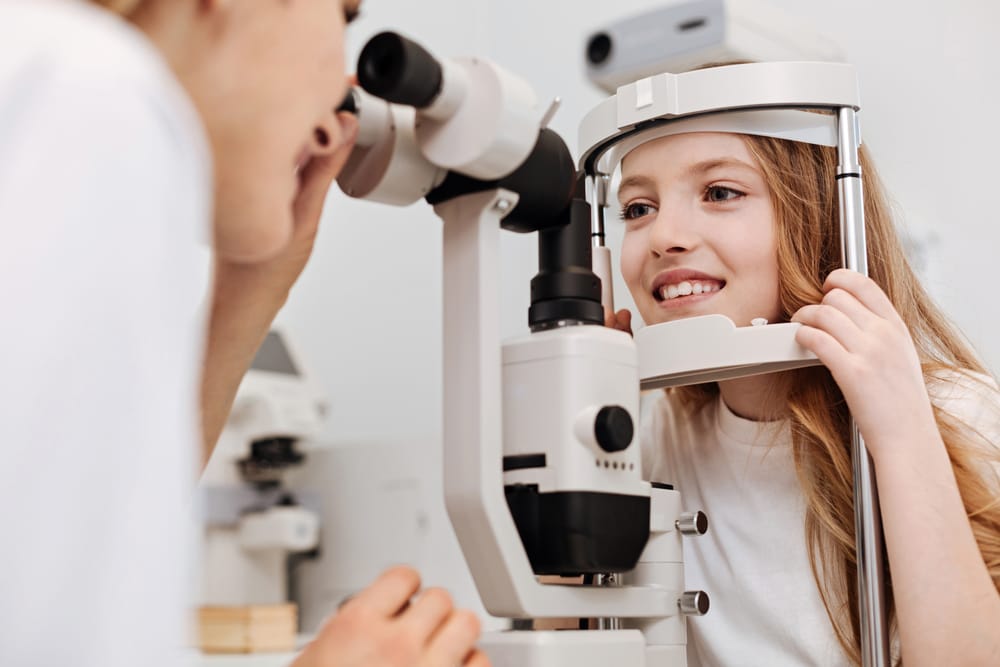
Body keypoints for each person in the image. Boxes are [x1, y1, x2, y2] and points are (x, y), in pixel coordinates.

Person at [0, 1, 487, 666]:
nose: (341, 99)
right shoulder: (91, 93)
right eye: (342, 17)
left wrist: (250, 290)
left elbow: (71, 542)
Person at [607, 129, 1000, 665]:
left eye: (720, 192)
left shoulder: (958, 414)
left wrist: (900, 433)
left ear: (818, 218)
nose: (664, 235)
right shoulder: (662, 436)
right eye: (637, 207)